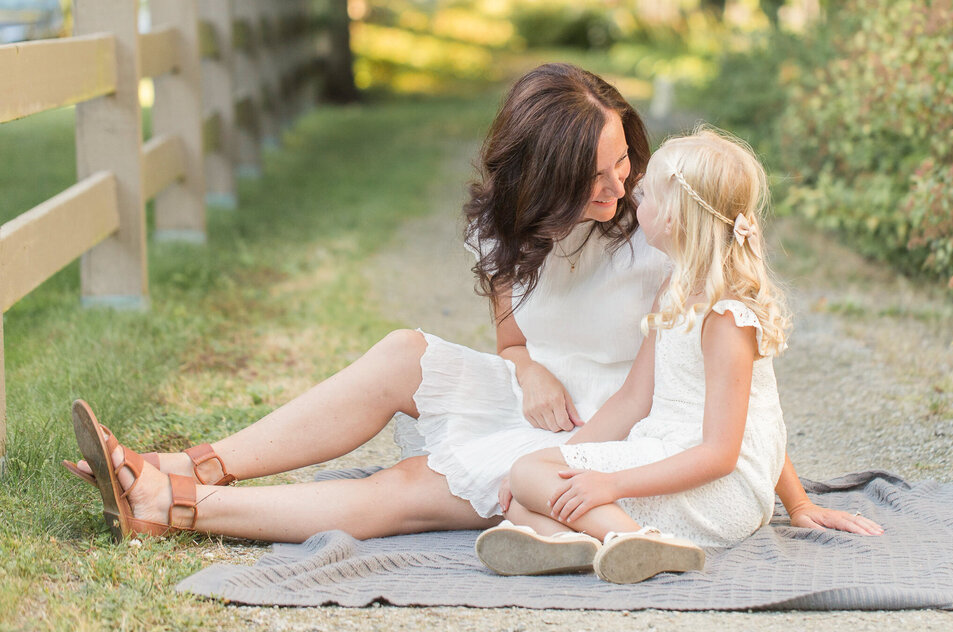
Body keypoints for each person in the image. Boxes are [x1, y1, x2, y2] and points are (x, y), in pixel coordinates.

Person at [68, 64, 876, 544]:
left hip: (609, 433)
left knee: (413, 482)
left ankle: (172, 503)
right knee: (401, 354)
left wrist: (790, 496)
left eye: (624, 160)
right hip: (546, 406)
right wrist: (520, 364)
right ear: (542, 180)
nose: (618, 186)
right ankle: (186, 466)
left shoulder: (659, 234)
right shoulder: (510, 234)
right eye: (593, 177)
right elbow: (511, 334)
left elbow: (734, 391)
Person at [475, 129, 884, 584]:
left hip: (715, 490)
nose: (633, 199)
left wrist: (799, 504)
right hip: (666, 456)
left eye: (646, 193)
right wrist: (563, 459)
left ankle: (640, 540)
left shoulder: (727, 316)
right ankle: (584, 545)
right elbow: (631, 401)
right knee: (521, 489)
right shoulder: (673, 291)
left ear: (675, 218)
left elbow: (727, 452)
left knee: (531, 478)